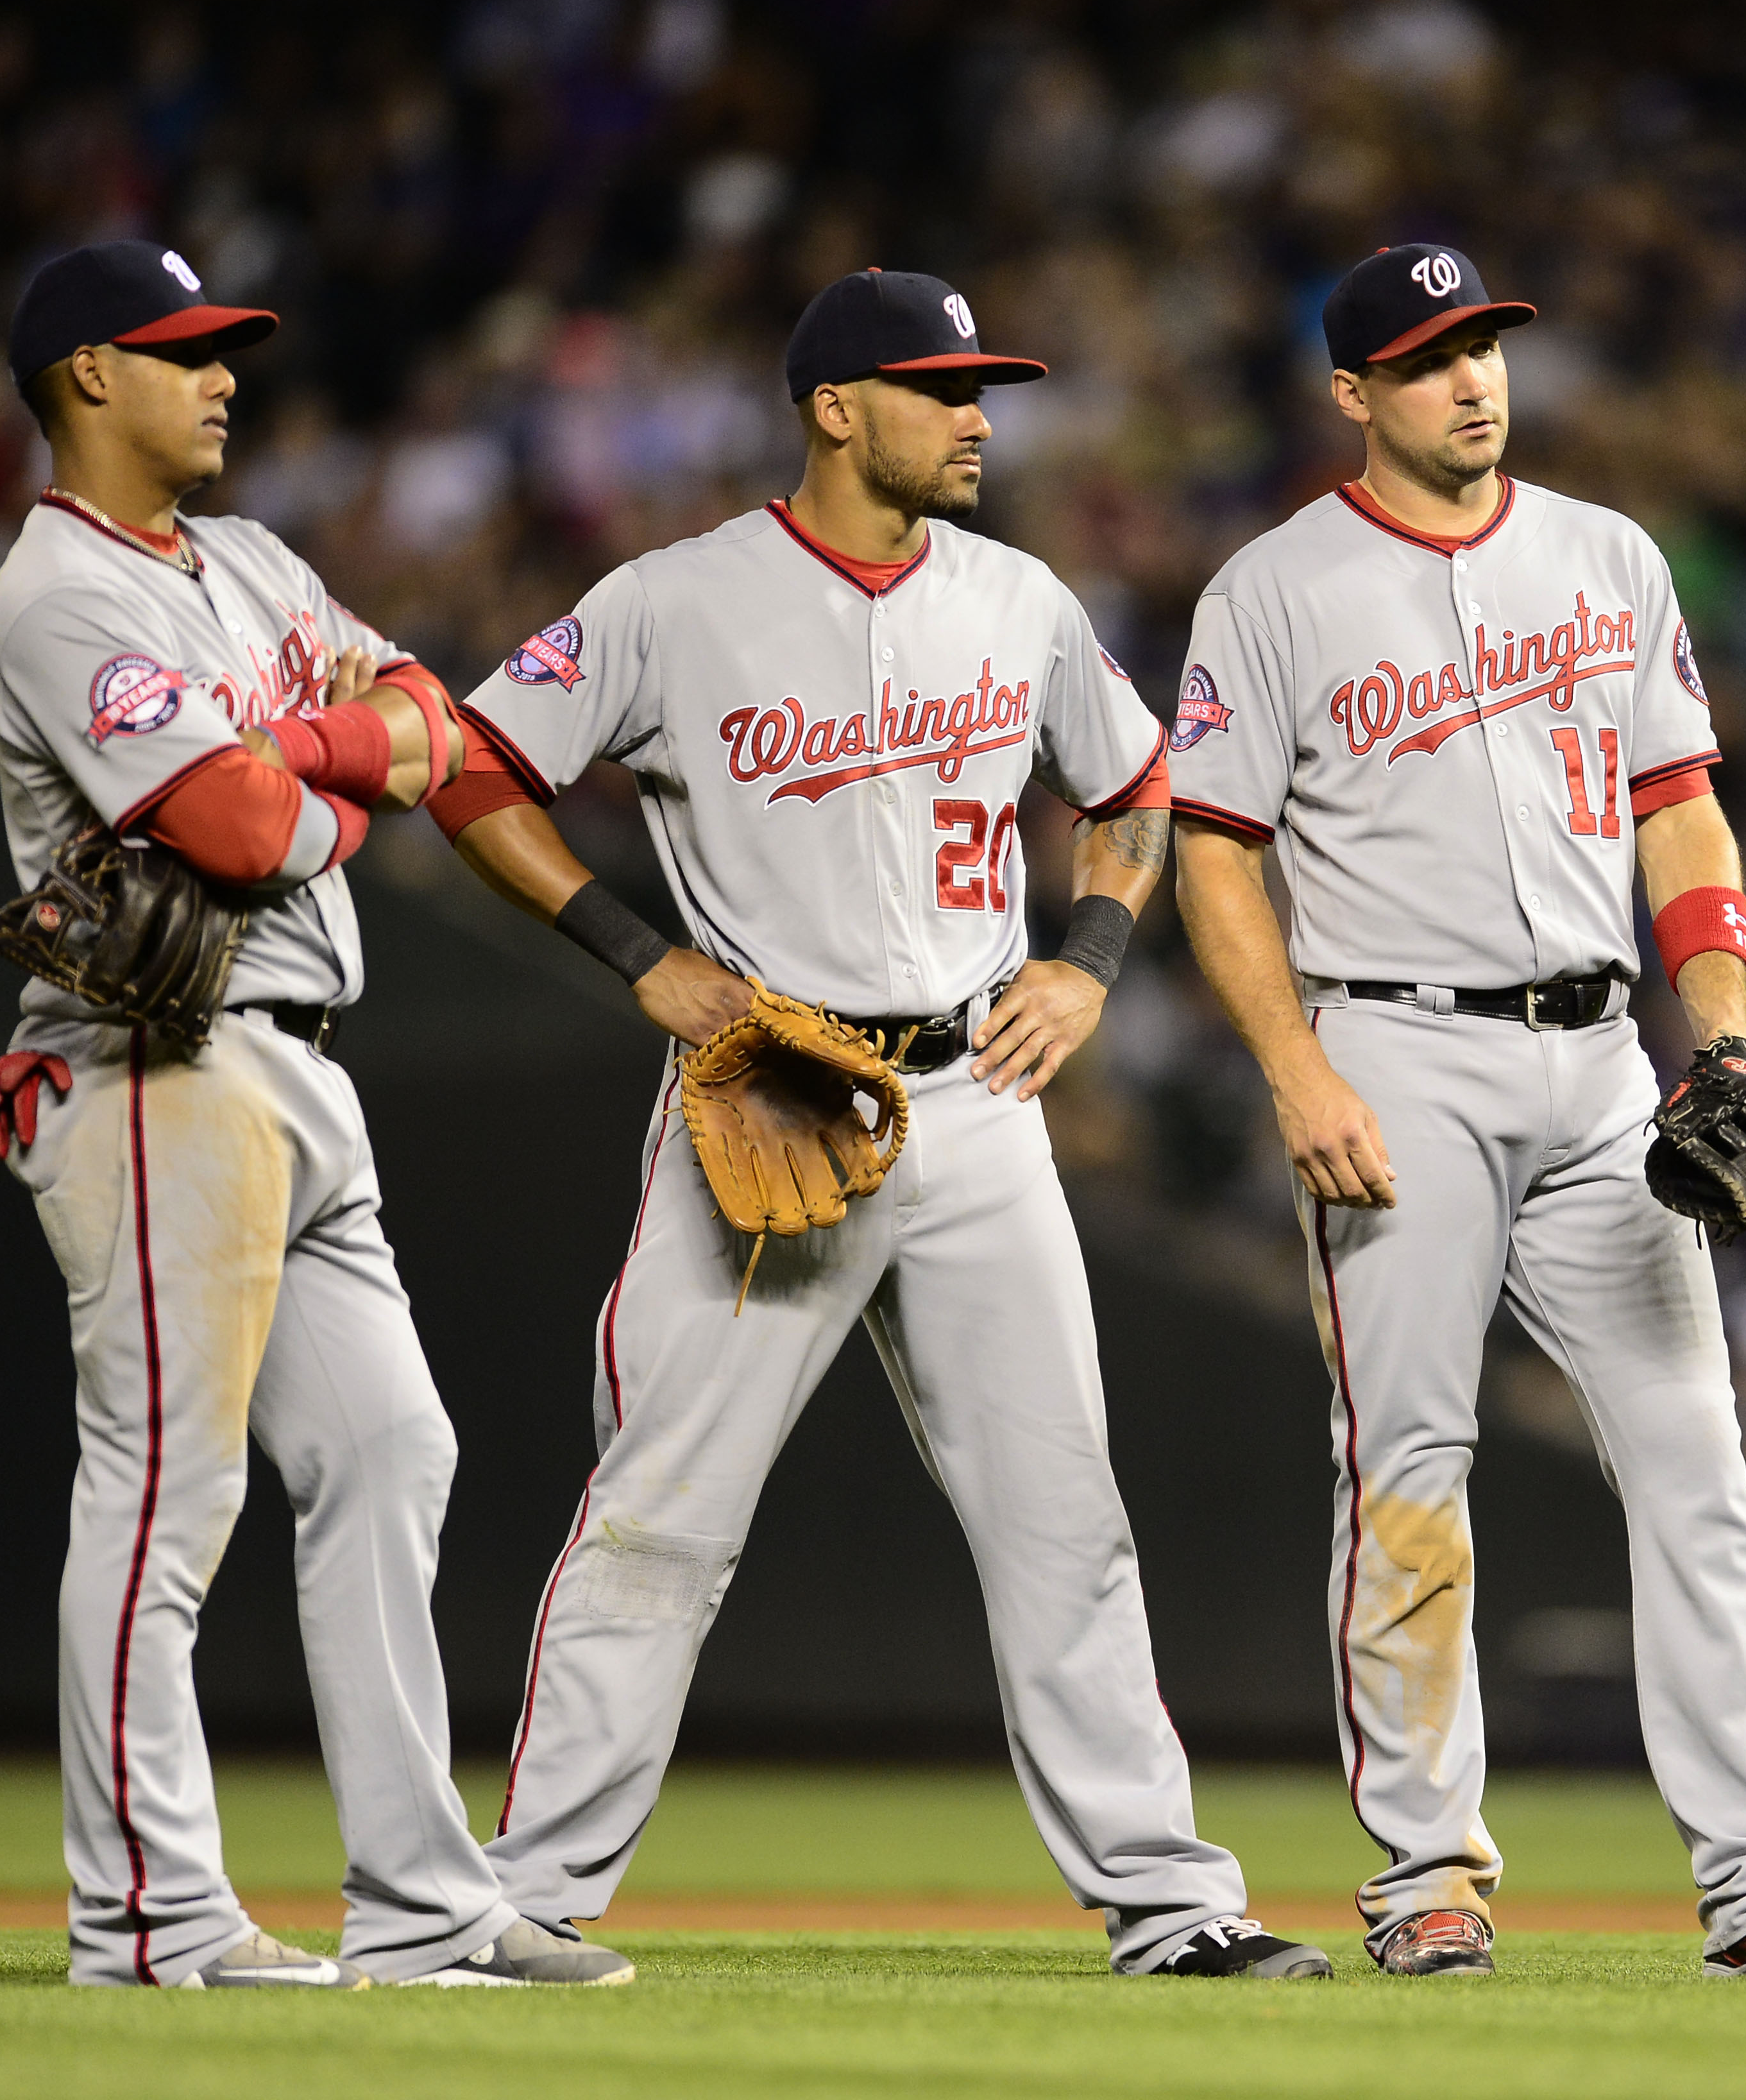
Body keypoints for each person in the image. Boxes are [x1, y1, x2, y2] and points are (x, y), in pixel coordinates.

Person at [427, 268, 1326, 1981]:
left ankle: (1170, 1903)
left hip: (978, 1103)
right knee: (663, 1515)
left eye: (984, 388)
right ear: (837, 406)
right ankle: (522, 1902)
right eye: (944, 387)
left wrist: (1091, 962)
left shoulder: (1020, 598)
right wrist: (630, 952)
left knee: (1067, 1519)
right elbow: (472, 766)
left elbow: (1133, 784)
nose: (982, 415)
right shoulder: (675, 604)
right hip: (772, 1094)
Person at [1166, 244, 1746, 1981]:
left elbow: (1682, 809)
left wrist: (1717, 1021)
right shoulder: (1272, 591)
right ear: (1353, 394)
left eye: (1483, 345)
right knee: (1409, 1476)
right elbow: (1215, 855)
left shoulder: (1606, 553)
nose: (1471, 379)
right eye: (1427, 359)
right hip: (1394, 1057)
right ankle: (1427, 1880)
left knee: (1697, 1463)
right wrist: (1298, 1069)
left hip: (1598, 1060)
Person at [0, 240, 623, 1988]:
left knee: (394, 1453)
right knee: (163, 1498)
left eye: (225, 348)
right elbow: (249, 834)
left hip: (305, 1064)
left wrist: (310, 768)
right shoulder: (55, 597)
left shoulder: (250, 560)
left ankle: (420, 1907)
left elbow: (437, 725)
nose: (226, 375)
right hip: (159, 1071)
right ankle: (151, 1918)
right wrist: (337, 781)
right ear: (87, 375)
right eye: (184, 352)